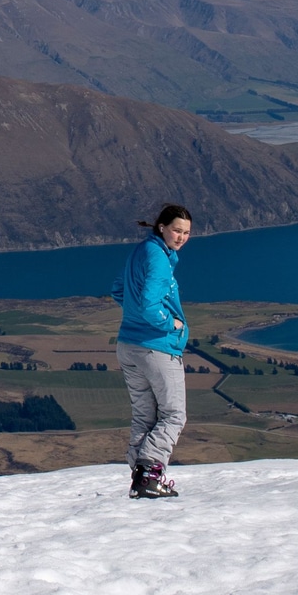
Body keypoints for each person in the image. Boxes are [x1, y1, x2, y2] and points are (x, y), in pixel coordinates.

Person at [110, 203, 193, 499]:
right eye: (176, 230)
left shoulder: (142, 251)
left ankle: (140, 477)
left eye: (186, 233)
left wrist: (136, 317)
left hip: (128, 345)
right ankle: (149, 474)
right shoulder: (158, 258)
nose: (181, 237)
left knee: (145, 416)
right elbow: (149, 305)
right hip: (157, 348)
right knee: (173, 415)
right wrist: (171, 324)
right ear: (162, 227)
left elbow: (118, 290)